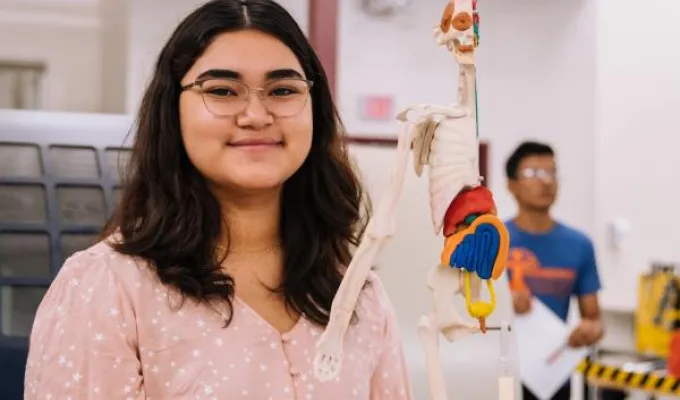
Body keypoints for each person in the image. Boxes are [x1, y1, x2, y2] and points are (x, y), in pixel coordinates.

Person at [23, 1, 414, 398]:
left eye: (283, 90)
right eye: (223, 91)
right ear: (172, 111)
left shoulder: (357, 294)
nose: (256, 114)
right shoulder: (106, 287)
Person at [504, 141, 604, 400]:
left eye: (552, 172)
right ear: (511, 184)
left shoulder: (579, 245)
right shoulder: (492, 241)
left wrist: (589, 331)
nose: (546, 182)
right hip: (498, 372)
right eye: (533, 174)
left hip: (551, 374)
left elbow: (594, 319)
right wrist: (504, 305)